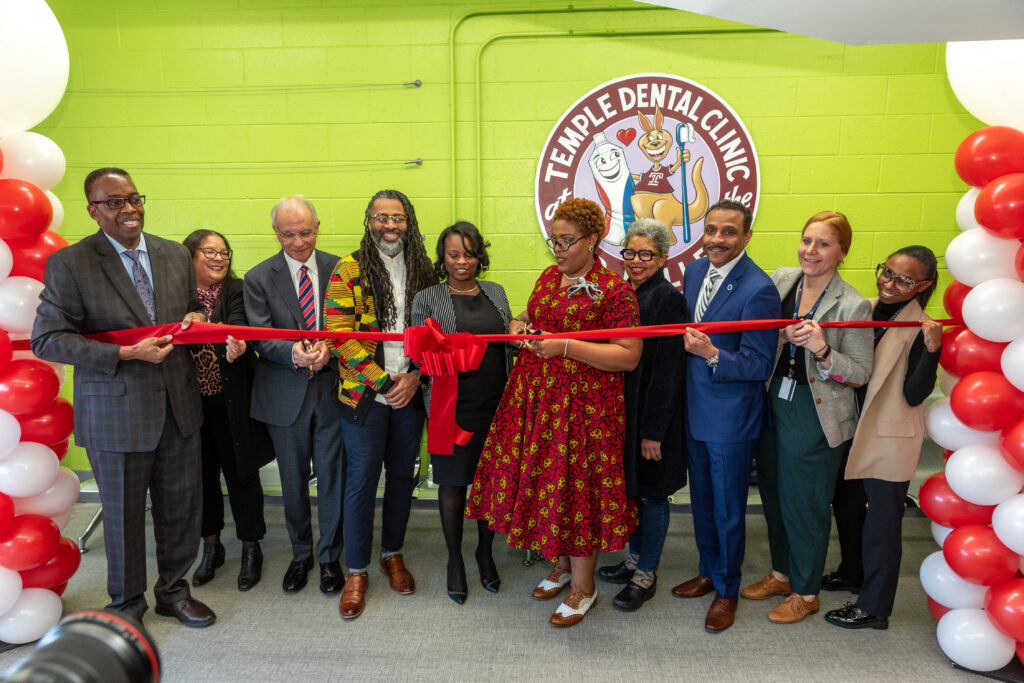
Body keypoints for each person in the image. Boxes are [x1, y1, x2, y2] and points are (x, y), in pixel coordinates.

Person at [31, 167, 214, 627]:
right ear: (93, 211)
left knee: (181, 510)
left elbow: (181, 315)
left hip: (178, 407)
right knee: (124, 518)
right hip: (117, 414)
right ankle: (127, 605)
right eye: (113, 202)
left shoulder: (174, 255)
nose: (128, 209)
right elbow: (48, 339)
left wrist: (194, 318)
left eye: (133, 198)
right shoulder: (70, 263)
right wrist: (123, 353)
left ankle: (174, 592)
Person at [466, 197, 641, 628]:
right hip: (536, 401)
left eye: (567, 241)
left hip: (585, 410)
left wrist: (565, 344)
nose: (558, 249)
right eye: (554, 240)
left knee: (578, 489)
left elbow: (628, 355)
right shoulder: (548, 277)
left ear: (593, 240)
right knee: (549, 483)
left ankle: (585, 586)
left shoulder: (614, 290)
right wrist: (517, 328)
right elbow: (528, 316)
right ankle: (562, 565)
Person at [741, 210, 873, 624]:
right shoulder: (782, 279)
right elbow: (759, 331)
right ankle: (783, 574)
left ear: (842, 252)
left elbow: (860, 373)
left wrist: (822, 350)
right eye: (806, 240)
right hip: (773, 401)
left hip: (815, 411)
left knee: (806, 505)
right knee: (776, 497)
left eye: (823, 244)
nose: (810, 250)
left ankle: (807, 591)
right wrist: (778, 336)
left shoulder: (852, 303)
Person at [324, 189, 435, 620]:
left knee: (401, 479)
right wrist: (384, 381)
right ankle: (355, 572)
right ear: (368, 221)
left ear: (409, 222)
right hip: (365, 397)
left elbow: (434, 332)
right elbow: (338, 334)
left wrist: (416, 375)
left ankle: (392, 554)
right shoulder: (348, 269)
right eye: (381, 217)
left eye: (399, 218)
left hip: (410, 394)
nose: (390, 225)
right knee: (361, 484)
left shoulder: (424, 270)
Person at [671, 199, 781, 633]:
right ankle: (708, 571)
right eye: (711, 229)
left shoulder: (759, 289)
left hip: (731, 418)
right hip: (694, 410)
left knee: (729, 509)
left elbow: (759, 364)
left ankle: (727, 590)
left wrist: (713, 353)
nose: (717, 239)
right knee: (701, 502)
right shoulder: (695, 271)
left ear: (746, 237)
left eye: (729, 232)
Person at [824, 247, 941, 630]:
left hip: (889, 435)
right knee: (847, 506)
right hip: (851, 425)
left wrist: (932, 350)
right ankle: (852, 572)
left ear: (922, 286)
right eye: (886, 272)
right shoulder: (863, 308)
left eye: (903, 280)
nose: (889, 284)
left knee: (883, 524)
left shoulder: (921, 327)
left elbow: (914, 394)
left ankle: (874, 608)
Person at [243, 195, 345, 596]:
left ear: (317, 227)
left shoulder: (341, 268)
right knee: (293, 481)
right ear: (276, 233)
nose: (298, 241)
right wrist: (293, 353)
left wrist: (330, 349)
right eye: (288, 234)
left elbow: (353, 323)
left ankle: (329, 557)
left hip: (333, 391)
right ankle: (301, 554)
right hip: (284, 395)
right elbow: (260, 335)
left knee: (333, 479)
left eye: (305, 232)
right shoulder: (258, 277)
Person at [410, 221, 513, 604]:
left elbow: (508, 341)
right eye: (454, 254)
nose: (462, 262)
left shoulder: (496, 292)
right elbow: (419, 354)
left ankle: (484, 553)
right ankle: (455, 559)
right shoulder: (427, 298)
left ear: (480, 256)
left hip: (496, 405)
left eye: (469, 254)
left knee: (489, 483)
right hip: (449, 409)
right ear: (443, 257)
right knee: (453, 485)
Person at [597, 218, 687, 612]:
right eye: (629, 253)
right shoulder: (622, 294)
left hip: (652, 418)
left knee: (652, 496)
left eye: (645, 254)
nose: (635, 261)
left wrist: (654, 432)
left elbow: (668, 370)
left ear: (663, 257)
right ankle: (633, 561)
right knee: (632, 493)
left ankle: (646, 574)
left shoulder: (667, 299)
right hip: (623, 414)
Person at [183, 229, 274, 591]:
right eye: (210, 252)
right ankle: (211, 546)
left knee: (243, 476)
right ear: (190, 256)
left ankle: (251, 548)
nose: (220, 258)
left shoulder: (236, 290)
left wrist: (231, 337)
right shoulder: (177, 293)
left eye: (224, 252)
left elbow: (240, 326)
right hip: (192, 404)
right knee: (202, 478)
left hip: (233, 400)